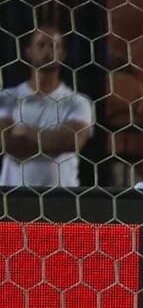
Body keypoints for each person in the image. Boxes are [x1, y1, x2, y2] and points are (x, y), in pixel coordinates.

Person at [0, 26, 94, 188]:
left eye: (54, 46)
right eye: (41, 45)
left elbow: (72, 141)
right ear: (28, 51)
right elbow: (5, 141)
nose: (48, 51)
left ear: (63, 54)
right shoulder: (8, 98)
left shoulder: (77, 102)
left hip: (62, 195)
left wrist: (23, 131)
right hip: (14, 194)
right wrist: (53, 141)